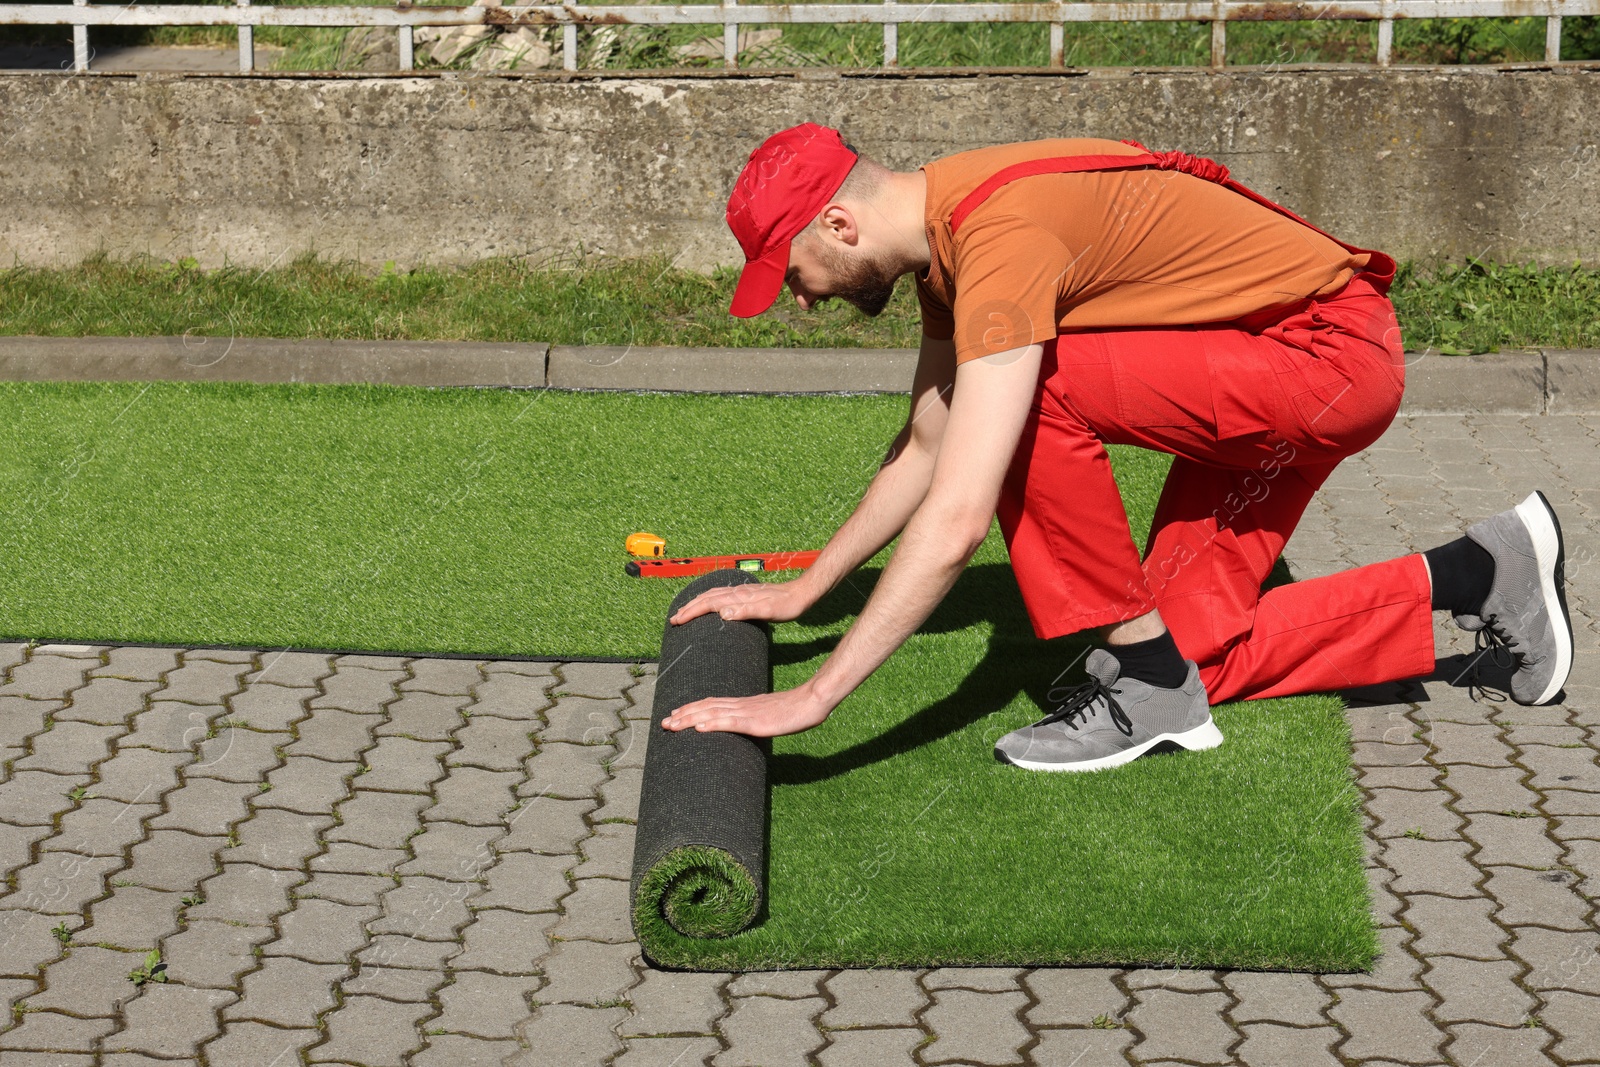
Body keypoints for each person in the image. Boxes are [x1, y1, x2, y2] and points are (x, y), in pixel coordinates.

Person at [661, 123, 1574, 772]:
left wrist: (815, 696)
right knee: (1192, 663)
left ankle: (1137, 674)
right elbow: (928, 442)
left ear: (839, 225)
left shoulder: (997, 245)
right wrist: (807, 586)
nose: (800, 298)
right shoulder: (942, 239)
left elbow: (959, 511)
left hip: (1323, 358)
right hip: (1272, 360)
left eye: (790, 274)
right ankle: (1479, 573)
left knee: (1025, 391)